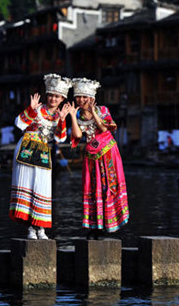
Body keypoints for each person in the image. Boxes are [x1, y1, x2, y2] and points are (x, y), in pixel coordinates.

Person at [65, 78, 129, 240]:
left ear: (92, 98)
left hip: (108, 154)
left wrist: (93, 112)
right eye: (79, 97)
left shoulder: (103, 110)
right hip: (91, 157)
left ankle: (108, 225)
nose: (81, 100)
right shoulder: (78, 115)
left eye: (85, 97)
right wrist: (72, 116)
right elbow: (78, 135)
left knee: (109, 186)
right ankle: (94, 226)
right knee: (93, 189)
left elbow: (104, 128)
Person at [9, 74, 71, 240]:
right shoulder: (37, 109)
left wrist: (63, 120)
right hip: (27, 147)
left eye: (57, 96)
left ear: (62, 99)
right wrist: (30, 109)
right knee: (28, 186)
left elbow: (60, 138)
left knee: (42, 188)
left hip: (43, 150)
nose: (53, 98)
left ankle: (41, 228)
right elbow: (19, 124)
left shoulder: (59, 116)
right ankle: (30, 228)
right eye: (51, 95)